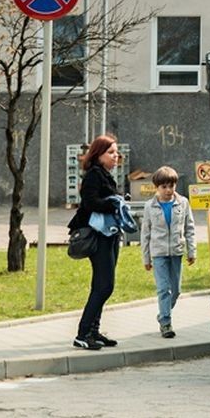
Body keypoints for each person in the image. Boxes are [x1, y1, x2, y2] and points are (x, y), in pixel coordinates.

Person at [68, 134, 122, 350]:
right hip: (96, 236)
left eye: (116, 152)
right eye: (111, 152)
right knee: (104, 285)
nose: (115, 156)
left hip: (109, 235)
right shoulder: (93, 175)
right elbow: (90, 203)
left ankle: (93, 330)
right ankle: (83, 334)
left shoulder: (105, 175)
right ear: (98, 155)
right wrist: (113, 203)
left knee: (102, 285)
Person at [141, 166, 196, 338]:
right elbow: (145, 234)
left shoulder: (183, 203)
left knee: (176, 290)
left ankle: (162, 312)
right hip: (158, 253)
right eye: (164, 187)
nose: (168, 190)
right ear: (156, 188)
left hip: (176, 252)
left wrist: (191, 250)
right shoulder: (150, 207)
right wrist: (146, 258)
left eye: (171, 186)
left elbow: (190, 228)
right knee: (164, 289)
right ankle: (166, 322)